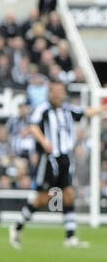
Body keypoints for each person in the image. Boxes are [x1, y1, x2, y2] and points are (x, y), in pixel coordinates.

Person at [10, 80, 103, 249]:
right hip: (50, 158)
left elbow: (86, 112)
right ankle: (18, 226)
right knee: (44, 198)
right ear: (50, 92)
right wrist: (44, 141)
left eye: (60, 91)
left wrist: (103, 108)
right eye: (54, 91)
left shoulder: (68, 109)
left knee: (68, 194)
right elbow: (33, 126)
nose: (57, 94)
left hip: (65, 159)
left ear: (64, 93)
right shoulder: (43, 109)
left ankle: (70, 236)